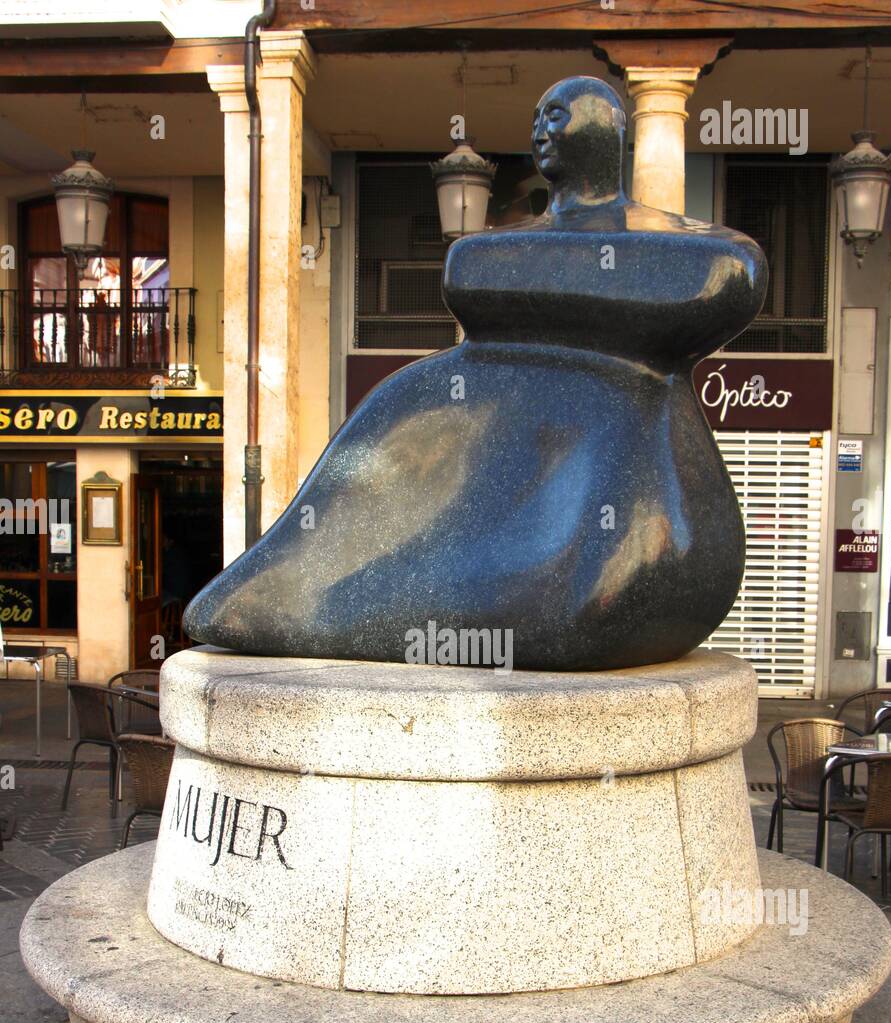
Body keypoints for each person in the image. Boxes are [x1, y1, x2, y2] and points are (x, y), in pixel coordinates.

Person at [184, 76, 767, 671]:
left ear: (604, 129)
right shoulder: (495, 255)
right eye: (538, 116)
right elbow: (467, 271)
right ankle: (282, 595)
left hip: (620, 469)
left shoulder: (677, 243)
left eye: (558, 116)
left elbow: (728, 277)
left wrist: (544, 277)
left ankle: (316, 604)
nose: (542, 129)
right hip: (507, 434)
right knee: (388, 424)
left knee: (583, 595)